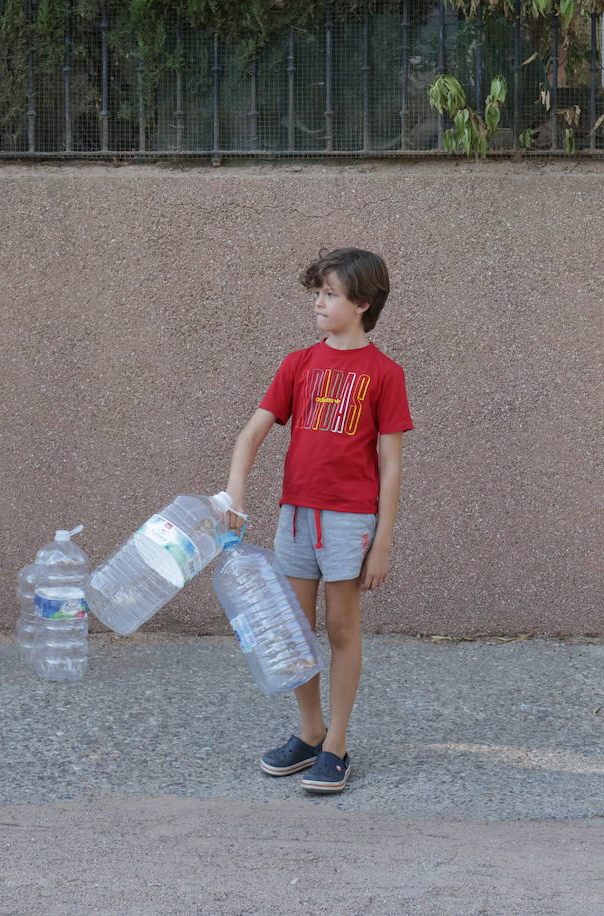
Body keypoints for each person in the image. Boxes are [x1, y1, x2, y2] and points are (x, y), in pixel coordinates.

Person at [223, 247, 413, 794]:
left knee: (340, 627)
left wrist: (382, 544)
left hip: (351, 521)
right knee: (293, 629)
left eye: (330, 294)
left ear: (362, 303)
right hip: (297, 517)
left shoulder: (385, 374)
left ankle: (338, 744)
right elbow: (251, 434)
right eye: (318, 293)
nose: (319, 303)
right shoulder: (298, 364)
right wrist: (236, 491)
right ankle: (310, 733)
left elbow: (391, 464)